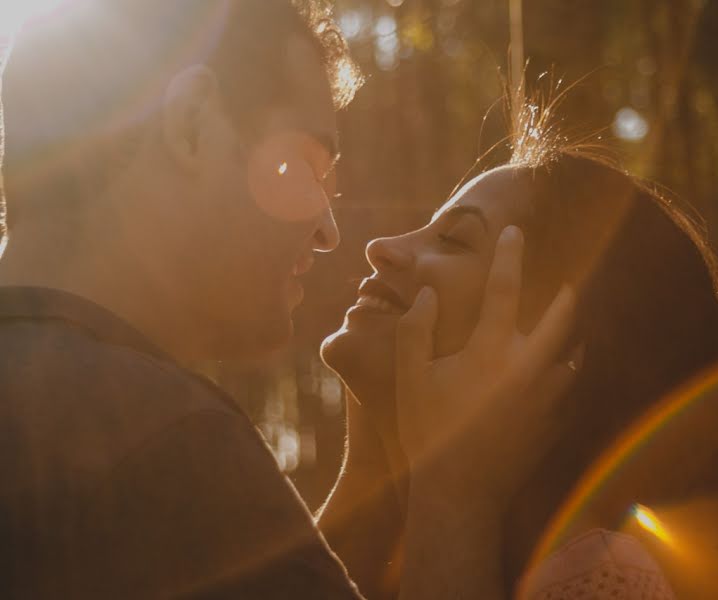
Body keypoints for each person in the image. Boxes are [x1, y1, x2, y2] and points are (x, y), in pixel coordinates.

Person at [0, 2, 576, 598]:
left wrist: (369, 473)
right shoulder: (167, 444)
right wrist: (459, 496)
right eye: (304, 163)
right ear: (193, 124)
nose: (329, 230)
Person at [319, 84, 718, 599]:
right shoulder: (411, 541)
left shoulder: (606, 580)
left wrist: (455, 494)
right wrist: (369, 471)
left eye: (453, 239)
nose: (382, 247)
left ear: (549, 347)